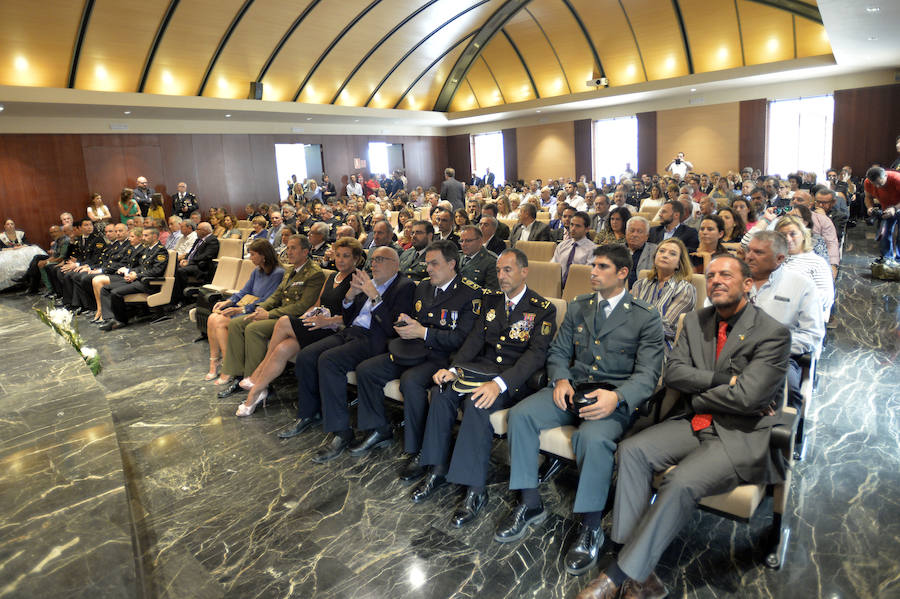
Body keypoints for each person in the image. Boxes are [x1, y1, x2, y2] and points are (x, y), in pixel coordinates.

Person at [576, 255, 791, 599]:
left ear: (748, 284)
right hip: (694, 421)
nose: (716, 279)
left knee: (681, 480)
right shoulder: (695, 321)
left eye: (726, 274)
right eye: (712, 274)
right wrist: (723, 383)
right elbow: (674, 373)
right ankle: (643, 577)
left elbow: (750, 398)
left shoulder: (773, 333)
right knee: (632, 451)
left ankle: (617, 573)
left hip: (739, 433)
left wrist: (701, 394)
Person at [496, 245, 663, 577]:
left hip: (610, 399)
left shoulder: (645, 316)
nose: (593, 271)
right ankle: (530, 504)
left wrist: (618, 399)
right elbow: (558, 351)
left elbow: (648, 375)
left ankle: (591, 526)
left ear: (622, 273)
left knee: (593, 440)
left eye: (602, 266)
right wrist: (559, 379)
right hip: (571, 390)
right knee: (521, 415)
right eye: (593, 265)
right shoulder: (579, 306)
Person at [411, 249, 557, 528]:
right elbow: (474, 341)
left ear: (524, 272)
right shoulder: (491, 301)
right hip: (481, 369)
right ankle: (437, 468)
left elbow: (535, 357)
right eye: (499, 270)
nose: (501, 276)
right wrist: (453, 369)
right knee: (442, 390)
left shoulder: (541, 308)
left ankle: (474, 490)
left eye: (508, 270)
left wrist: (499, 385)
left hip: (513, 380)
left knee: (477, 403)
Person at [349, 241, 483, 462]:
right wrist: (407, 322)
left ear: (451, 264)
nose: (428, 268)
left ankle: (417, 447)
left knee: (411, 381)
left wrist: (423, 332)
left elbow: (462, 339)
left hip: (442, 357)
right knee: (367, 369)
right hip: (413, 349)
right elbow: (416, 319)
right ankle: (378, 429)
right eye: (427, 263)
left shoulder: (470, 293)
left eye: (434, 264)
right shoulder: (423, 286)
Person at [286, 246, 415, 462]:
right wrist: (350, 296)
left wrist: (374, 297)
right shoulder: (369, 283)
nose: (373, 264)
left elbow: (393, 327)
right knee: (307, 354)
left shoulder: (405, 286)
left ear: (395, 264)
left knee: (329, 361)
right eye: (372, 259)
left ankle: (341, 431)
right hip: (352, 332)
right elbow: (348, 317)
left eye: (380, 260)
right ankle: (311, 412)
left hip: (375, 340)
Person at [239, 238, 364, 416]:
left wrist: (325, 321)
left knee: (283, 321)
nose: (340, 260)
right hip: (317, 324)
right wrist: (308, 316)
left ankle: (258, 372)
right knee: (282, 348)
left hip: (334, 329)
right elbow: (318, 304)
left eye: (346, 256)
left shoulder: (358, 280)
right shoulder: (332, 277)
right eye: (337, 255)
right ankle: (257, 392)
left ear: (356, 259)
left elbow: (352, 317)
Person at [216, 235, 326, 393]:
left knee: (253, 329)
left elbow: (302, 306)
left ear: (305, 251)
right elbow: (276, 296)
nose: (289, 251)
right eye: (287, 248)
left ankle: (256, 381)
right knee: (236, 323)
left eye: (293, 248)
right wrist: (261, 308)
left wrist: (269, 314)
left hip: (292, 320)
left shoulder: (314, 273)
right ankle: (238, 374)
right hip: (278, 314)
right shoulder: (290, 270)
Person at [745, 231, 824, 409]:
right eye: (749, 250)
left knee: (784, 390)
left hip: (778, 357)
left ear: (779, 258)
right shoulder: (734, 279)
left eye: (758, 252)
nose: (749, 257)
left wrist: (770, 346)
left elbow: (812, 335)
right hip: (730, 350)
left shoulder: (802, 285)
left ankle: (781, 432)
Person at [204, 240, 284, 382]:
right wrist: (228, 302)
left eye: (253, 254)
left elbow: (267, 301)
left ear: (263, 255)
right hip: (247, 306)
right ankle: (215, 361)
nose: (250, 258)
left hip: (258, 310)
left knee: (220, 322)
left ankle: (229, 368)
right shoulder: (257, 271)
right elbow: (244, 291)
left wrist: (240, 309)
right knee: (212, 318)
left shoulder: (278, 273)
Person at [630, 238, 697, 354]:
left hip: (662, 346)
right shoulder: (639, 285)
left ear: (679, 264)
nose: (665, 255)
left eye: (672, 254)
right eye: (661, 251)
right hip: (632, 339)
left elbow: (667, 327)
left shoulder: (685, 289)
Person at [98, 227, 168, 331]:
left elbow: (157, 271)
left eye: (146, 235)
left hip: (149, 283)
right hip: (139, 280)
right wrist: (133, 272)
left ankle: (121, 320)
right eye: (143, 235)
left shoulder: (160, 250)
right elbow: (142, 266)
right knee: (105, 289)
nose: (143, 238)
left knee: (115, 292)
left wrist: (137, 275)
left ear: (154, 236)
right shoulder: (149, 249)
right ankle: (109, 318)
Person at [774, 216, 835, 317]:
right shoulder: (774, 260)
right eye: (782, 235)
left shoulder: (817, 263)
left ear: (803, 235)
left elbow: (826, 299)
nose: (788, 239)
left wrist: (794, 296)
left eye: (793, 234)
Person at [173, 222, 220, 301]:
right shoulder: (198, 239)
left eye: (198, 229)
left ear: (205, 231)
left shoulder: (213, 240)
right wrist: (185, 259)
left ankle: (181, 298)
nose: (195, 231)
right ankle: (173, 295)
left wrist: (190, 262)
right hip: (193, 263)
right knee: (173, 267)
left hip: (201, 267)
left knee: (180, 271)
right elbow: (192, 252)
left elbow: (206, 256)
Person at [864, 166, 900, 262]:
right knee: (884, 233)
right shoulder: (868, 182)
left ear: (886, 176)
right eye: (874, 184)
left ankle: (899, 259)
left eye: (880, 183)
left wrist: (894, 208)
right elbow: (868, 197)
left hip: (897, 206)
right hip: (886, 208)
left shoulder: (897, 179)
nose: (877, 187)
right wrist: (870, 207)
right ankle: (887, 258)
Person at [552, 211, 597, 286]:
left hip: (579, 286)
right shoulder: (562, 245)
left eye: (578, 226)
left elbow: (587, 274)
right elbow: (553, 267)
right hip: (557, 285)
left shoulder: (593, 249)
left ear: (587, 229)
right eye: (572, 225)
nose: (573, 229)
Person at [457, 225, 499, 290]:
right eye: (461, 241)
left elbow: (491, 292)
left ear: (480, 241)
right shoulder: (457, 256)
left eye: (468, 241)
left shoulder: (491, 261)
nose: (463, 244)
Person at [625, 216, 656, 289]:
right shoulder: (615, 250)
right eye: (631, 230)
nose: (634, 235)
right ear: (626, 232)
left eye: (639, 232)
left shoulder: (656, 251)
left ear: (647, 236)